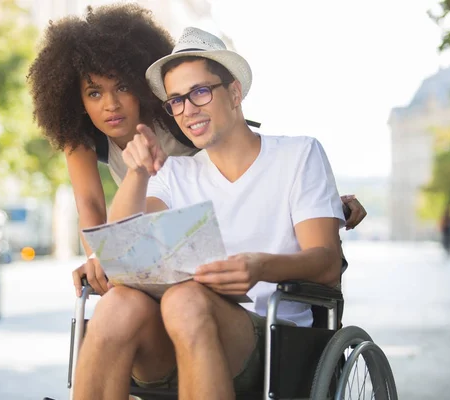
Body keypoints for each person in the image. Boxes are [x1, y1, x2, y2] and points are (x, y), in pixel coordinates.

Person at [73, 26, 350, 400]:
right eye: (176, 101)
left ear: (234, 93)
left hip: (269, 334)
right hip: (173, 337)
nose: (188, 110)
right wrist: (137, 173)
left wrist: (259, 266)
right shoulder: (174, 172)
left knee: (185, 299)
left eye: (200, 92)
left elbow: (327, 262)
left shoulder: (298, 155)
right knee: (118, 304)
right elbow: (123, 247)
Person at [26, 3, 367, 297]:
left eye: (123, 87)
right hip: (163, 233)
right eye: (95, 93)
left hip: (217, 237)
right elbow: (91, 205)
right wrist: (99, 259)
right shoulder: (81, 135)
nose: (111, 105)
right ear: (77, 99)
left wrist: (324, 201)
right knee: (123, 305)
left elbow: (246, 165)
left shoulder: (176, 114)